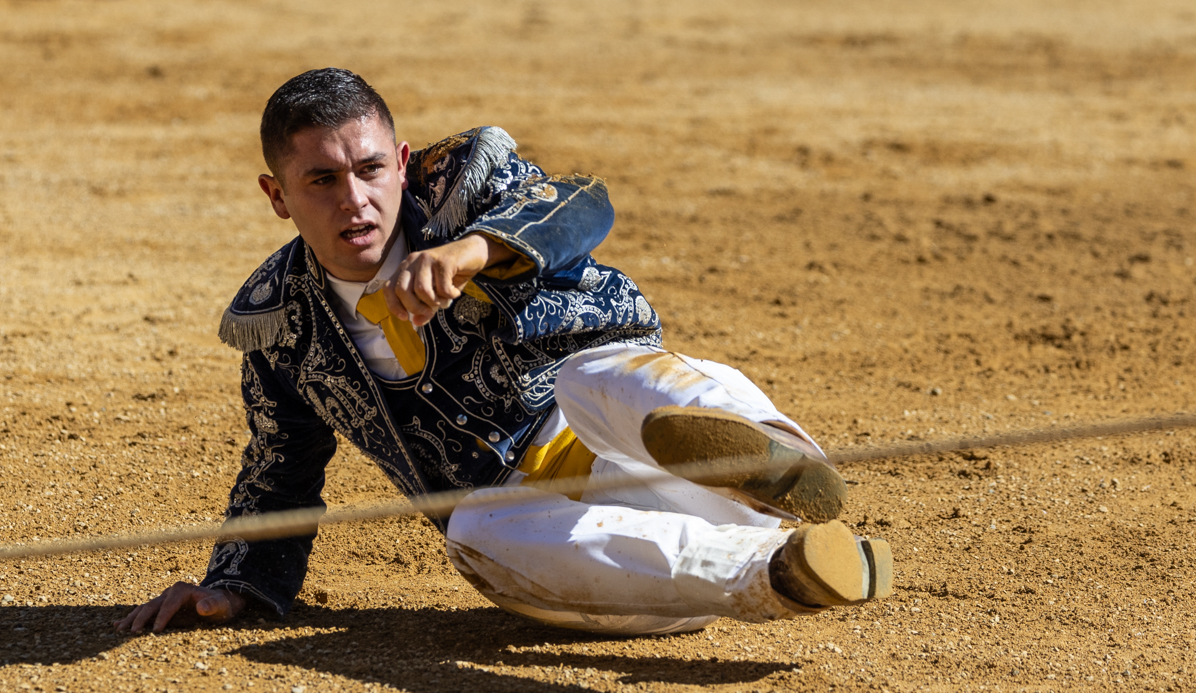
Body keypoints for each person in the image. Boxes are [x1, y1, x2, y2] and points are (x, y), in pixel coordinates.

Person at [116, 68, 893, 637]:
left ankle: (782, 467)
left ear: (403, 158)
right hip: (587, 550)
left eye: (370, 169)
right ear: (277, 195)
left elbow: (582, 205)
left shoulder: (463, 185)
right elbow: (280, 465)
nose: (355, 200)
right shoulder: (279, 321)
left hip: (623, 433)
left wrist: (478, 249)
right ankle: (781, 570)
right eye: (320, 180)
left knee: (595, 377)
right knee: (475, 533)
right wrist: (237, 585)